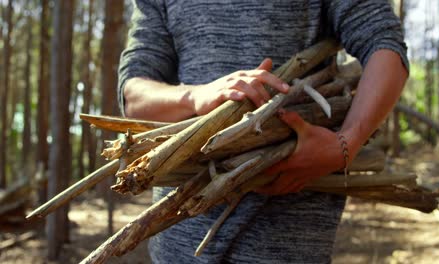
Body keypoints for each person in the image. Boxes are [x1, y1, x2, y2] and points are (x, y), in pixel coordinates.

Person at [118, 0, 409, 263]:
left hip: (291, 239)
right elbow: (134, 93)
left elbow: (384, 44)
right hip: (177, 238)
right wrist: (194, 96)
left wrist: (346, 143)